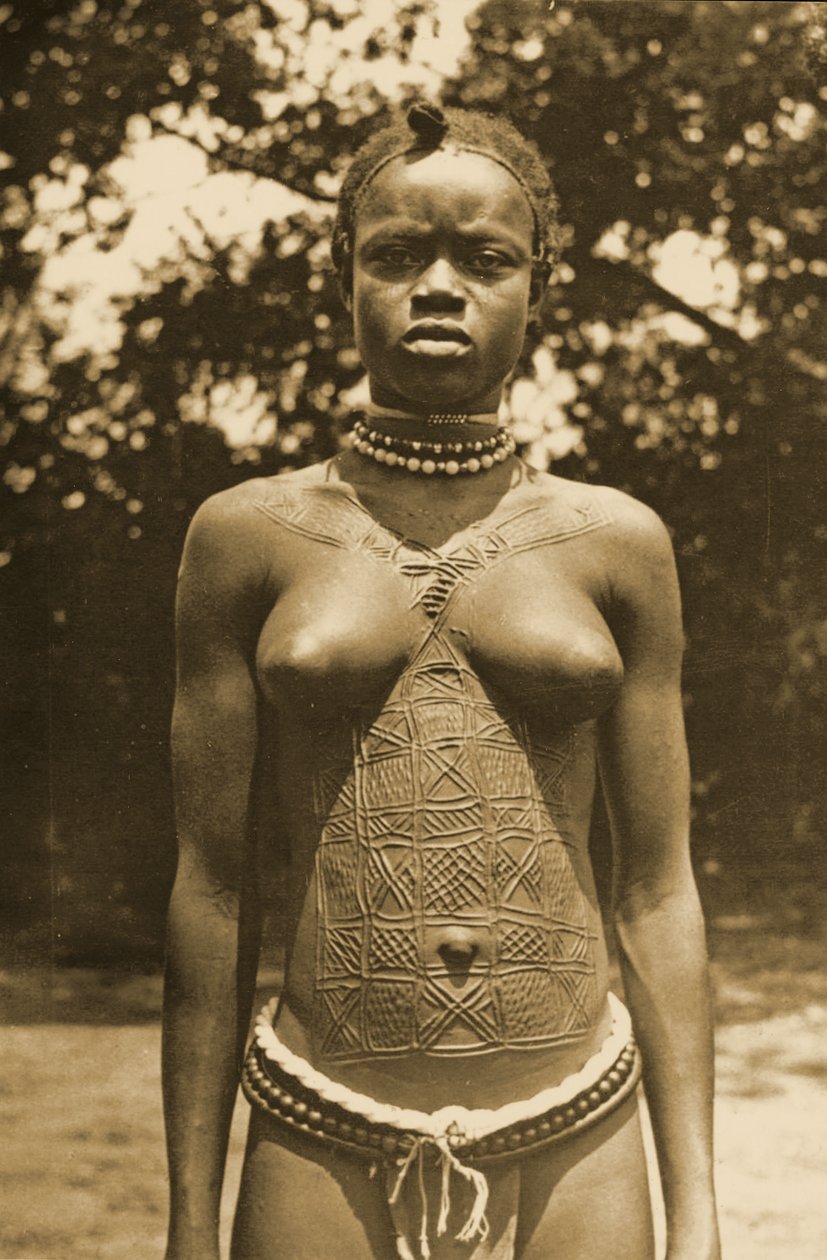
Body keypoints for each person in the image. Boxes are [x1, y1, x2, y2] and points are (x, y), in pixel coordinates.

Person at [162, 102, 721, 1260]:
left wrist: (700, 1212)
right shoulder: (246, 537)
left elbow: (658, 889)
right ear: (344, 280)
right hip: (321, 1122)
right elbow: (214, 893)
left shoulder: (613, 542)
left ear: (535, 286)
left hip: (577, 1124)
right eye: (395, 254)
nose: (437, 285)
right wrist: (184, 1220)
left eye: (483, 258)